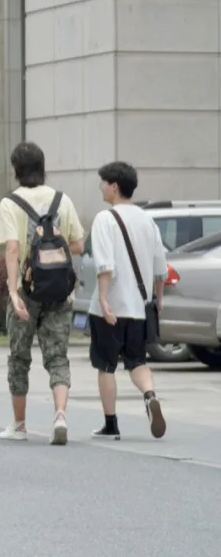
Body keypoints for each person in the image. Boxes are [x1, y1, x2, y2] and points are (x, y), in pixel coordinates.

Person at [0, 141, 86, 445]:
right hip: (60, 292)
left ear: (16, 170)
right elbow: (78, 245)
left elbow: (12, 249)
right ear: (42, 167)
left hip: (26, 291)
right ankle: (60, 414)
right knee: (57, 356)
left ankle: (19, 424)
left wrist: (13, 292)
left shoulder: (10, 203)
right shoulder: (62, 200)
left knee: (19, 358)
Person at [86, 161, 167, 440]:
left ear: (114, 187)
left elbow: (105, 266)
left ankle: (111, 424)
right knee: (137, 361)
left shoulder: (104, 219)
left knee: (106, 365)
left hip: (110, 307)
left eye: (103, 182)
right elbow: (161, 269)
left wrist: (105, 301)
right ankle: (149, 395)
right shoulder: (148, 220)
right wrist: (158, 301)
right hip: (139, 308)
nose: (101, 187)